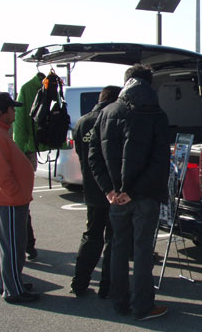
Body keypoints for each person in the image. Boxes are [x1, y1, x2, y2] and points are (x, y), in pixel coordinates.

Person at [89, 65, 170, 321]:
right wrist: (131, 191)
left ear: (126, 83)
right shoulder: (156, 113)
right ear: (148, 84)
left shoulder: (107, 112)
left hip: (116, 197)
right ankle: (142, 306)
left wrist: (109, 190)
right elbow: (160, 161)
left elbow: (94, 155)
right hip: (144, 195)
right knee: (143, 251)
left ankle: (119, 302)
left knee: (118, 247)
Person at [0, 92, 40, 304]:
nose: (14, 112)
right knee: (12, 248)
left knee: (6, 246)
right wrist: (16, 193)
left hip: (7, 200)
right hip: (9, 201)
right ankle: (13, 290)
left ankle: (10, 283)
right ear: (1, 111)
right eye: (12, 109)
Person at [70, 85, 121, 298]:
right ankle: (106, 286)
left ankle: (79, 282)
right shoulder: (114, 119)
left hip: (91, 188)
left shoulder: (82, 122)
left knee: (91, 236)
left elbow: (81, 153)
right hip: (113, 190)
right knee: (113, 239)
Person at [13, 72, 46, 260]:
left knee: (23, 213)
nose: (13, 113)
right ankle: (21, 250)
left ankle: (27, 247)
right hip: (7, 189)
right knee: (19, 215)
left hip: (21, 175)